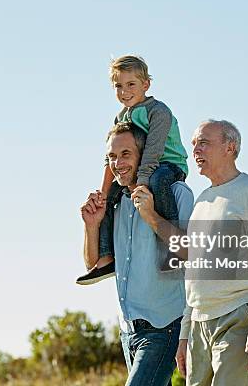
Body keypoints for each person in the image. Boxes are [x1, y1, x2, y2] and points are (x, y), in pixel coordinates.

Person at [80, 122, 193, 385]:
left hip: (165, 328)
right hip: (128, 331)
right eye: (112, 157)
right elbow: (93, 263)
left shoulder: (176, 193)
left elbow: (190, 254)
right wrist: (92, 225)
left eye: (126, 154)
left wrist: (151, 216)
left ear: (144, 155)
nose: (117, 163)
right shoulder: (116, 204)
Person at [175, 120, 248, 385]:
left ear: (230, 147)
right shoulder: (201, 200)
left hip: (238, 317)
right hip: (199, 323)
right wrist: (184, 334)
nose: (195, 150)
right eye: (193, 144)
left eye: (203, 142)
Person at [76, 55, 189, 284]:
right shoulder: (121, 117)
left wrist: (141, 183)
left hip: (167, 165)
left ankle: (174, 249)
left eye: (131, 85)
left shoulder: (158, 112)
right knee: (109, 198)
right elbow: (110, 158)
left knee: (159, 180)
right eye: (118, 86)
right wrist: (103, 194)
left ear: (145, 85)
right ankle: (107, 258)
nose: (124, 91)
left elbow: (153, 152)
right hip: (141, 169)